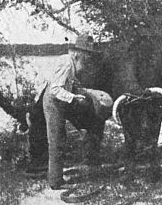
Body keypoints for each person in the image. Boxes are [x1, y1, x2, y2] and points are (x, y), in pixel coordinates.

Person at [42, 33, 112, 190]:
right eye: (87, 54)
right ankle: (55, 181)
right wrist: (73, 98)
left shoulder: (73, 64)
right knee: (56, 140)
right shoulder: (66, 64)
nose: (88, 58)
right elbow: (55, 90)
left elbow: (71, 83)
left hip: (61, 100)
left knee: (63, 137)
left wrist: (86, 92)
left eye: (90, 55)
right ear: (78, 53)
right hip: (53, 103)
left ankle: (61, 173)